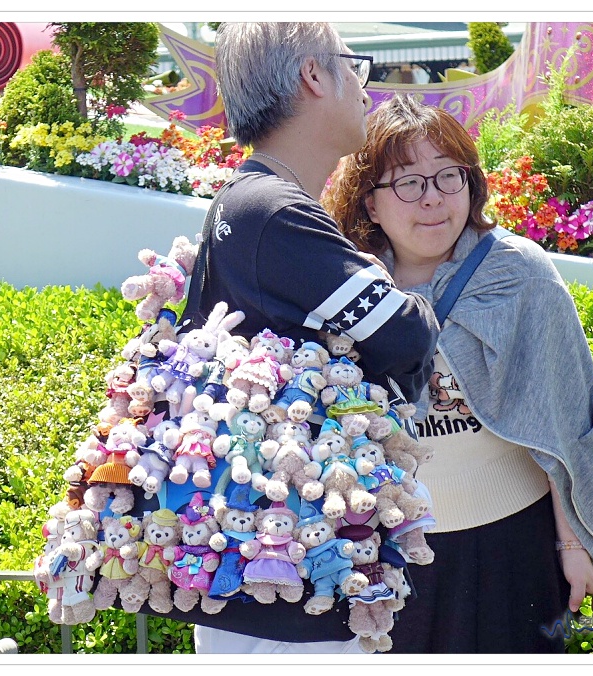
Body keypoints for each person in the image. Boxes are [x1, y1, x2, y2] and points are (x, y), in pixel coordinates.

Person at [322, 94, 593, 653]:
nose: (434, 199)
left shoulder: (521, 275)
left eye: (449, 177)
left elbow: (565, 424)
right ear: (369, 202)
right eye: (409, 183)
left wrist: (574, 548)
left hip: (511, 550)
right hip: (392, 557)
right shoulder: (345, 291)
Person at [177, 24, 439, 653]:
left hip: (260, 578)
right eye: (355, 66)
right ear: (314, 76)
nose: (365, 86)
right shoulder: (276, 212)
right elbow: (405, 335)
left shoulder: (244, 201)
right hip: (292, 590)